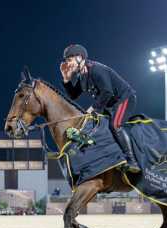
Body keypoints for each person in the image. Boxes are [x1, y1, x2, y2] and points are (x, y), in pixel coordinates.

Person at [60, 44, 140, 173]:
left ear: (80, 58)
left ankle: (132, 161)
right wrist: (66, 79)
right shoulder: (82, 75)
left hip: (124, 99)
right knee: (96, 127)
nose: (68, 64)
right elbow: (73, 95)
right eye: (66, 61)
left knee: (115, 126)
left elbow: (107, 92)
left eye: (69, 60)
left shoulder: (96, 69)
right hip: (110, 104)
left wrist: (93, 108)